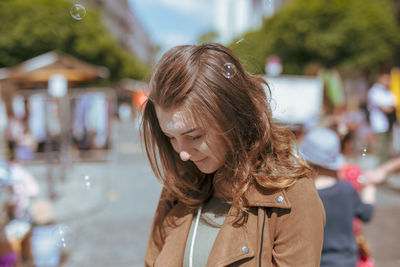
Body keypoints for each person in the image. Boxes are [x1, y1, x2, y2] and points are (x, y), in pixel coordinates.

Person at [141, 43, 325, 267]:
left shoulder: (291, 195)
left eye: (195, 136)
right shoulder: (179, 185)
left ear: (233, 118)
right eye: (171, 138)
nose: (183, 154)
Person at [299, 127, 376, 267]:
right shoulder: (347, 189)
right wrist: (370, 187)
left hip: (312, 261)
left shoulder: (301, 193)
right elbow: (366, 214)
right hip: (345, 261)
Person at [367, 73, 397, 163]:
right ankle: (380, 167)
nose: (389, 81)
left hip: (388, 123)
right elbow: (385, 108)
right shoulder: (375, 91)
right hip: (379, 124)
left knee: (388, 147)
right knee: (381, 148)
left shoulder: (387, 91)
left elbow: (393, 103)